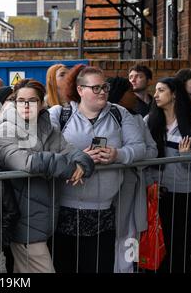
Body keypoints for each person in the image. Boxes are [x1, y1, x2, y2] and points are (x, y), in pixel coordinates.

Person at [48, 65, 146, 273]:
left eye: (105, 87)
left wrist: (117, 155)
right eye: (96, 88)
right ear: (80, 89)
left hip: (105, 211)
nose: (102, 92)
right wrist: (77, 157)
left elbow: (139, 147)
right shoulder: (59, 114)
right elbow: (47, 148)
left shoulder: (119, 114)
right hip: (64, 211)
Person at [0, 79, 94, 273]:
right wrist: (68, 167)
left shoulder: (49, 128)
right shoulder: (5, 128)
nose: (26, 105)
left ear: (41, 104)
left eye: (32, 100)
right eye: (21, 100)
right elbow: (24, 162)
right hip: (21, 220)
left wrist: (83, 163)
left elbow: (73, 152)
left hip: (44, 220)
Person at [145, 77, 191, 273]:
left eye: (161, 90)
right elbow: (144, 160)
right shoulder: (148, 121)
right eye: (156, 90)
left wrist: (187, 157)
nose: (155, 95)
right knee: (155, 243)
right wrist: (150, 185)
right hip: (155, 192)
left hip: (182, 192)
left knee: (178, 243)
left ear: (175, 94)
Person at [105, 77, 158, 273]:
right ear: (119, 93)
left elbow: (151, 150)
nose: (133, 95)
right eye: (129, 91)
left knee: (130, 232)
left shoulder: (137, 119)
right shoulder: (101, 117)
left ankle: (129, 269)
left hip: (131, 184)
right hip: (105, 186)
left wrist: (132, 156)